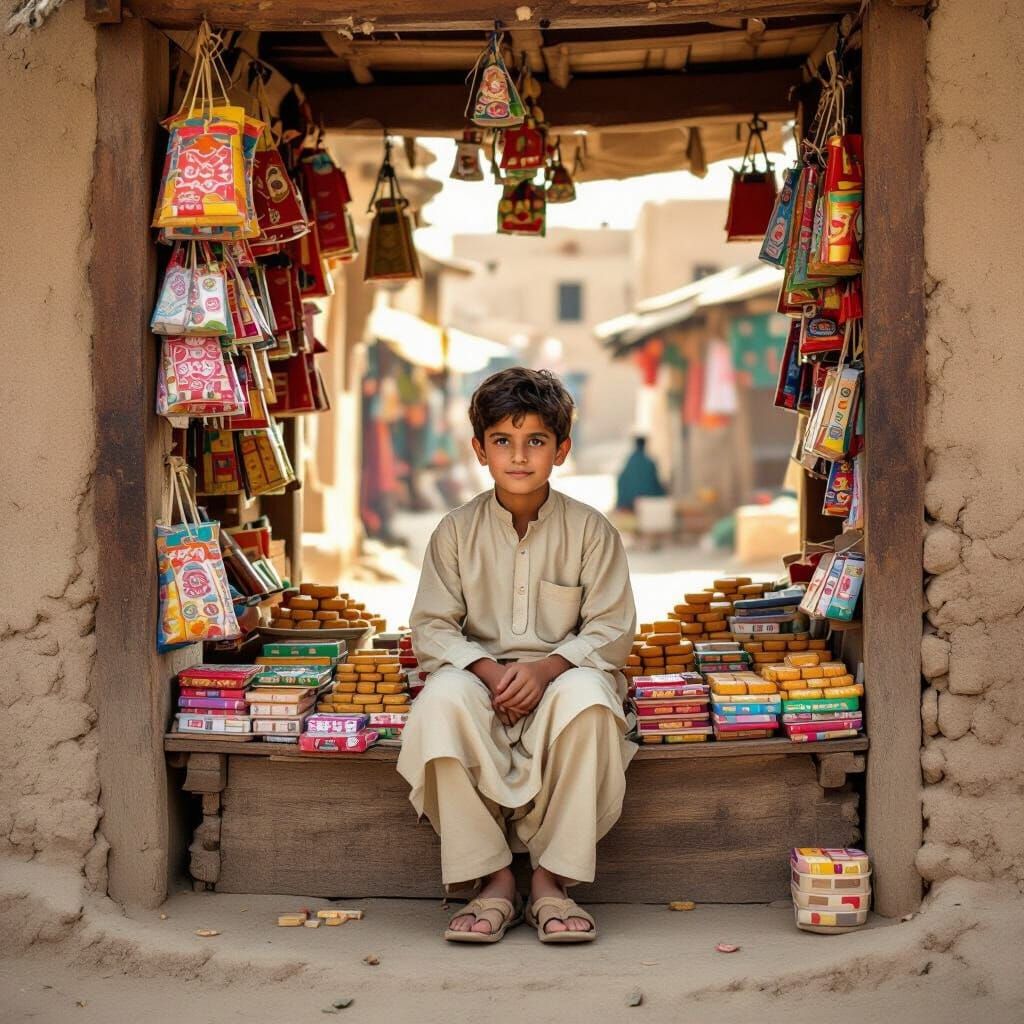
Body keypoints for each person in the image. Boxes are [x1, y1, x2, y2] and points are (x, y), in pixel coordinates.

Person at [397, 367, 637, 944]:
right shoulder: (455, 532)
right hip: (481, 684)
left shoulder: (590, 531)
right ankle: (496, 879)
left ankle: (552, 881)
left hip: (560, 683)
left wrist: (547, 669)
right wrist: (487, 669)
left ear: (562, 449)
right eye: (503, 440)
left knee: (590, 702)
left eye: (536, 441)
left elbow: (612, 629)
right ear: (480, 450)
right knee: (440, 703)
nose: (519, 456)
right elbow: (431, 628)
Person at [615, 435, 665, 511]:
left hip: (629, 503)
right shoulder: (649, 462)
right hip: (646, 502)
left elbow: (621, 480)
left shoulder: (630, 461)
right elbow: (656, 484)